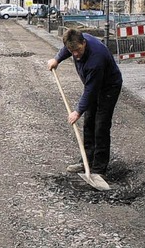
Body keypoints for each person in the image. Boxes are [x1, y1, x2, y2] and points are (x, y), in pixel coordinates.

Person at [47, 28, 123, 176]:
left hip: (109, 87)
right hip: (93, 85)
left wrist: (77, 111)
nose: (75, 54)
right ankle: (86, 161)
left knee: (101, 125)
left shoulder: (96, 59)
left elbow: (91, 90)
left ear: (84, 43)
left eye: (78, 50)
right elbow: (66, 49)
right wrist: (57, 59)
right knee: (89, 122)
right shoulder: (75, 42)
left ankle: (99, 169)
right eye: (72, 50)